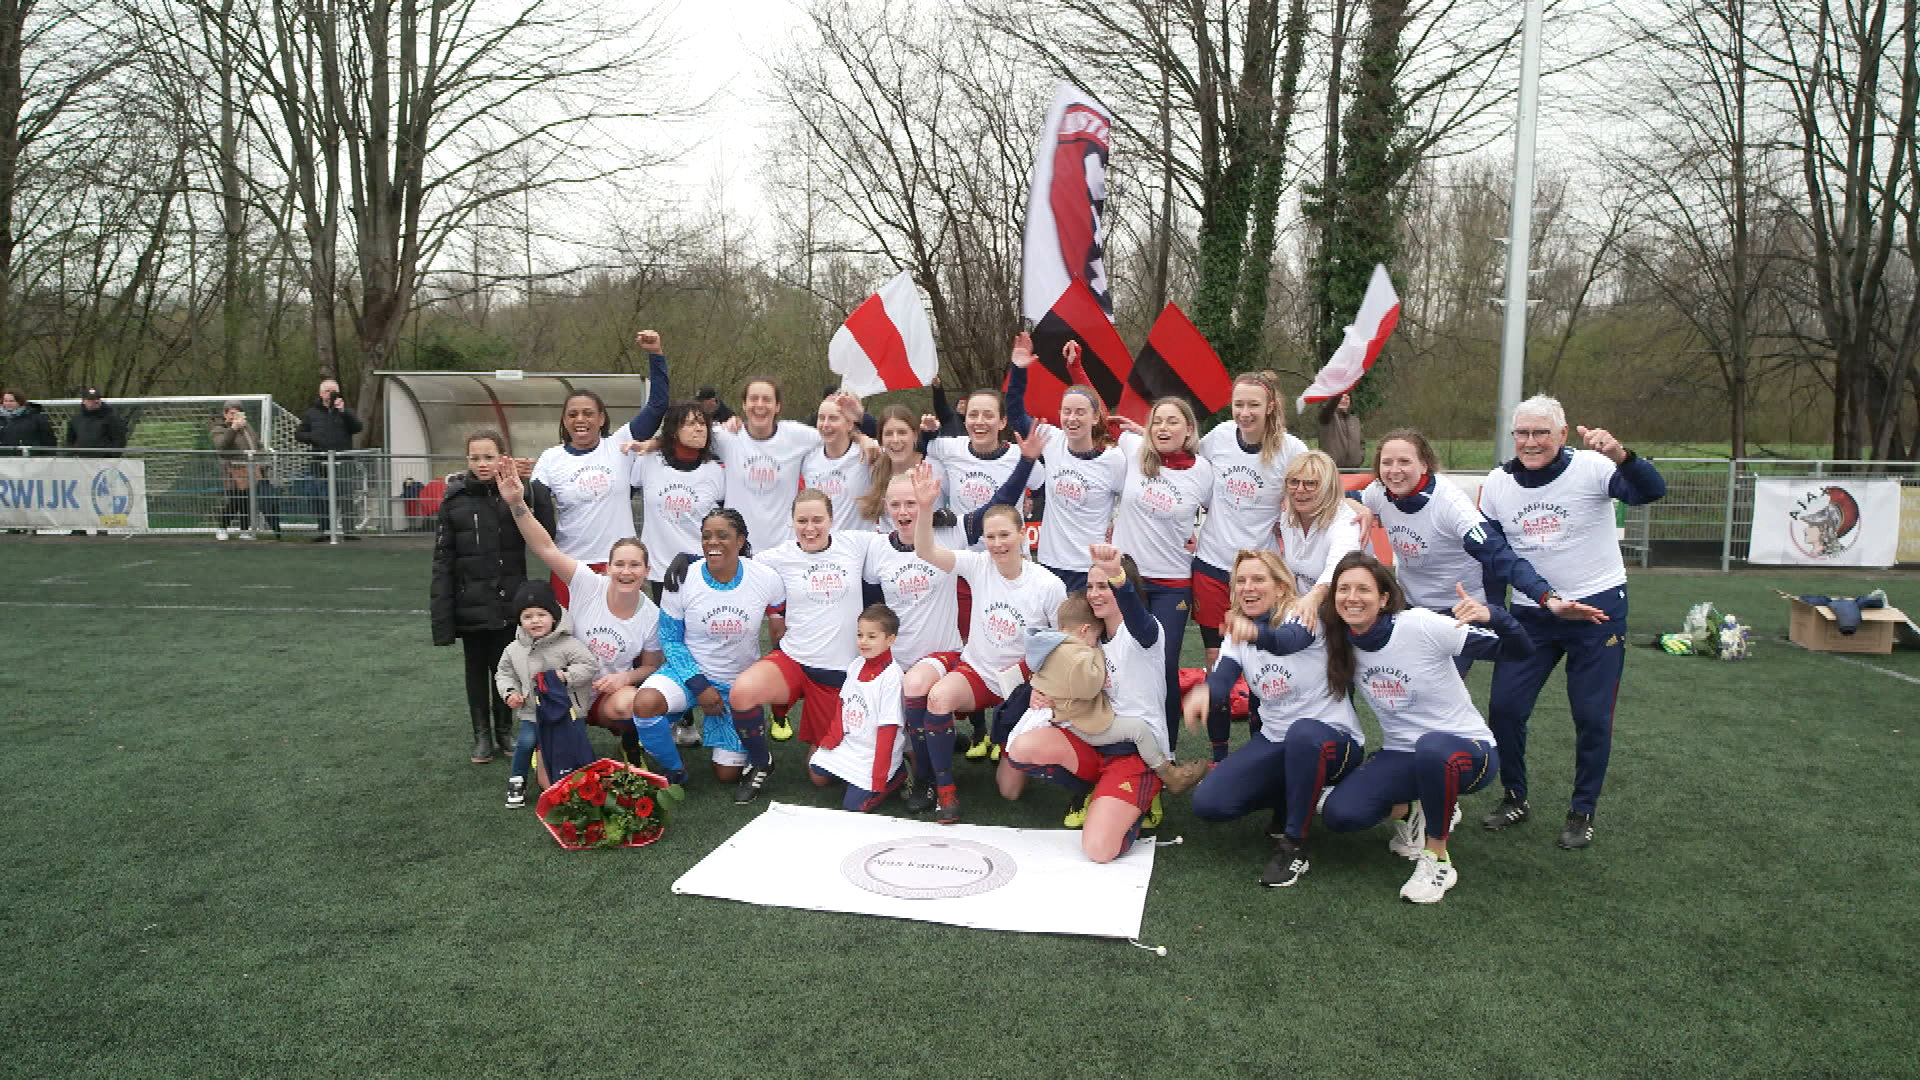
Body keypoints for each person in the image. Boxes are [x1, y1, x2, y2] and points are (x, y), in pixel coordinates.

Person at [1476, 395, 1667, 849]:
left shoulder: (1593, 466)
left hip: (1597, 610)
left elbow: (1650, 491)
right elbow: (1493, 559)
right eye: (1522, 432)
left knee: (1592, 716)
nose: (1530, 441)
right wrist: (1495, 612)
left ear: (1562, 435)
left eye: (1541, 432)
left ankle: (1583, 809)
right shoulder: (1498, 483)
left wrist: (1621, 455)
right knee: (1504, 708)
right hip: (1532, 613)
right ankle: (1515, 796)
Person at [1315, 553, 1533, 902]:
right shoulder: (1342, 641)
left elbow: (1519, 650)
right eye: (1343, 589)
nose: (1352, 597)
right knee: (1341, 814)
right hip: (1401, 753)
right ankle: (1414, 809)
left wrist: (1495, 615)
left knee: (1433, 748)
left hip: (1467, 751)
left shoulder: (1419, 625)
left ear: (1384, 598)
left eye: (1363, 589)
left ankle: (1437, 858)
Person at [1354, 428, 1605, 674]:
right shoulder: (1378, 493)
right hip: (1408, 607)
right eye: (1387, 463)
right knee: (1397, 682)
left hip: (1458, 612)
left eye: (1404, 461)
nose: (1394, 471)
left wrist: (1549, 599)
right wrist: (1357, 506)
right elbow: (1333, 498)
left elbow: (1500, 556)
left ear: (1424, 465)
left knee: (1435, 686)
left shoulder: (1450, 505)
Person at [1184, 549, 1364, 888]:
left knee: (1303, 734)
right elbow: (1222, 678)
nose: (1248, 587)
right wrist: (1207, 691)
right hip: (1278, 740)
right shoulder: (1238, 632)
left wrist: (1255, 634)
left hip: (1332, 742)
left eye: (1258, 579)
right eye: (1241, 581)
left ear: (1281, 588)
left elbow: (1285, 642)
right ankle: (1293, 797)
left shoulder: (1303, 615)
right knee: (1210, 803)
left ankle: (1294, 846)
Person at [496, 468, 674, 804]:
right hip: (564, 694)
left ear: (647, 572)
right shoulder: (588, 584)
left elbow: (652, 666)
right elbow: (545, 548)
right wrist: (518, 502)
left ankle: (629, 743)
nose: (626, 571)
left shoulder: (652, 615)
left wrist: (625, 676)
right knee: (552, 785)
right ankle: (546, 739)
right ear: (607, 568)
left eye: (635, 565)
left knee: (633, 702)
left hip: (606, 697)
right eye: (619, 564)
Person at [908, 459, 1065, 823]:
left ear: (1023, 534)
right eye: (990, 536)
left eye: (1004, 535)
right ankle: (945, 791)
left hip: (1022, 682)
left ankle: (1018, 746)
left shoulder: (1047, 585)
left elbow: (1063, 644)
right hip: (979, 672)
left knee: (1010, 792)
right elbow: (926, 552)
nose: (997, 544)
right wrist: (925, 507)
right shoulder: (978, 565)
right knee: (937, 697)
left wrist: (1044, 687)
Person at [997, 545, 1176, 862]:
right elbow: (1062, 678)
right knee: (1022, 747)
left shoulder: (1144, 633)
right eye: (1091, 585)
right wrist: (1042, 695)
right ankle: (1093, 788)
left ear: (1122, 586)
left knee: (1098, 849)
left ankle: (1144, 794)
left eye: (1103, 585)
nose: (1094, 593)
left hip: (1134, 751)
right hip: (1094, 739)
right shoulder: (1092, 639)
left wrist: (1118, 578)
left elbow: (1137, 615)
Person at [431, 430, 556, 765]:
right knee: (475, 670)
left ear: (504, 458)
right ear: (467, 461)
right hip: (469, 602)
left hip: (508, 600)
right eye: (476, 457)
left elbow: (546, 530)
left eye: (490, 457)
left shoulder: (517, 492)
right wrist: (442, 615)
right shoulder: (454, 499)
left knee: (507, 667)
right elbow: (443, 559)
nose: (482, 464)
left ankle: (504, 731)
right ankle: (481, 735)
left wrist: (530, 484)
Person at [639, 507, 786, 791]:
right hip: (689, 674)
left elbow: (779, 630)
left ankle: (749, 729)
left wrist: (765, 682)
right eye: (706, 536)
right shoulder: (682, 578)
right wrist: (699, 685)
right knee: (645, 704)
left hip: (736, 685)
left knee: (727, 775)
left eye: (722, 536)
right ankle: (675, 770)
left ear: (740, 540)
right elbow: (670, 639)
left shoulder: (766, 578)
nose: (712, 542)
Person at [729, 490, 879, 755]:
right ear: (792, 522)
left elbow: (901, 542)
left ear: (832, 520)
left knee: (820, 773)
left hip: (836, 670)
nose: (809, 529)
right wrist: (688, 561)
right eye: (802, 521)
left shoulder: (856, 543)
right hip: (794, 659)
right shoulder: (777, 557)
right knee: (742, 691)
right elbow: (733, 566)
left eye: (817, 520)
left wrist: (930, 518)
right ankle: (761, 763)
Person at [530, 330, 671, 603]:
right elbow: (535, 506)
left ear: (601, 418)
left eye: (588, 413)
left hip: (619, 564)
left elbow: (657, 406)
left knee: (621, 639)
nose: (580, 419)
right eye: (572, 414)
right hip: (570, 565)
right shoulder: (550, 458)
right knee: (569, 641)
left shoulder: (620, 445)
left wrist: (656, 355)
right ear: (564, 420)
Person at [1108, 397, 1214, 747]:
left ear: (1189, 430)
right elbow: (1098, 415)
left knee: (1163, 668)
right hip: (1127, 580)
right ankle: (1118, 747)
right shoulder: (1134, 448)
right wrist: (1076, 366)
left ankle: (1164, 750)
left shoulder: (1204, 471)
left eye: (1172, 422)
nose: (1163, 428)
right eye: (1157, 422)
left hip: (1173, 585)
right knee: (1119, 664)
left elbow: (1224, 515)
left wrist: (1199, 538)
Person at [1192, 372, 1308, 665]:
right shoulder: (1219, 436)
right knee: (1215, 653)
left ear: (1270, 406)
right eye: (1238, 404)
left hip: (1260, 571)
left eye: (1253, 405)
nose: (1245, 413)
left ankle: (1260, 711)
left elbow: (1320, 486)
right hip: (1213, 563)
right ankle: (1221, 710)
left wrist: (1357, 505)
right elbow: (1185, 467)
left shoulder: (1291, 449)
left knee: (1262, 653)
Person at [1003, 337, 1124, 593]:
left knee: (1084, 634)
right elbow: (1014, 413)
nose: (1071, 418)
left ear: (1094, 418)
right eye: (1066, 411)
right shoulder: (1052, 440)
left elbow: (1133, 501)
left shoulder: (1113, 459)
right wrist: (1018, 369)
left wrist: (1118, 526)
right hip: (1049, 565)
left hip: (1090, 569)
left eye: (1080, 412)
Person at [494, 581, 600, 792]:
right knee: (526, 742)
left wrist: (566, 676)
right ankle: (517, 780)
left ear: (553, 615)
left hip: (568, 711)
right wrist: (510, 693)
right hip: (532, 712)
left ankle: (583, 778)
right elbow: (504, 674)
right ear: (519, 621)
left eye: (541, 614)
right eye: (527, 616)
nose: (535, 621)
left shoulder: (569, 644)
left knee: (575, 743)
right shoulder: (514, 649)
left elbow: (589, 665)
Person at [807, 604, 908, 812]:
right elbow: (842, 706)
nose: (863, 641)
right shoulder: (855, 666)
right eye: (860, 635)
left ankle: (896, 775)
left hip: (875, 753)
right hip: (852, 744)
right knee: (816, 770)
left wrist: (879, 775)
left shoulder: (892, 677)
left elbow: (888, 730)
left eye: (872, 636)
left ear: (890, 640)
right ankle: (854, 779)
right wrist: (832, 739)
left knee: (853, 807)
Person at [707, 377, 826, 551]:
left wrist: (861, 439)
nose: (760, 405)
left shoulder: (795, 435)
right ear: (744, 405)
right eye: (754, 399)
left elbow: (835, 434)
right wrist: (653, 444)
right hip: (738, 550)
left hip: (784, 549)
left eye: (767, 399)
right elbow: (683, 434)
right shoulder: (728, 437)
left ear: (777, 406)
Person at [627, 402, 725, 601]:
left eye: (702, 424)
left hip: (701, 569)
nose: (698, 429)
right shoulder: (649, 461)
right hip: (659, 571)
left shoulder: (716, 471)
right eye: (689, 424)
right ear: (673, 431)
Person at [1275, 450, 1366, 624]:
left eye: (1311, 484)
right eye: (1293, 482)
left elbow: (1338, 569)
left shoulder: (1347, 522)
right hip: (1307, 611)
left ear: (1328, 488)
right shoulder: (1287, 516)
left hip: (1348, 613)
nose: (1300, 490)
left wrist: (1313, 598)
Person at [294, 376, 365, 540]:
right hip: (320, 462)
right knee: (321, 498)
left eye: (334, 391)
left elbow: (357, 427)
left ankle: (349, 531)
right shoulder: (311, 413)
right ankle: (324, 531)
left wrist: (343, 411)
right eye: (327, 391)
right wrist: (313, 437)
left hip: (343, 461)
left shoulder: (345, 412)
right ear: (321, 393)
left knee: (346, 496)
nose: (330, 394)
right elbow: (299, 434)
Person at [800, 392, 874, 530]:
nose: (825, 424)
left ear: (850, 424)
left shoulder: (866, 453)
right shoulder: (808, 460)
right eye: (821, 418)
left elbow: (893, 443)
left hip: (857, 547)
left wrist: (861, 417)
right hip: (820, 547)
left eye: (833, 418)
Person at [208, 401, 280, 540]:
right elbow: (222, 446)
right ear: (225, 414)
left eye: (238, 413)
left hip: (252, 469)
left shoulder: (247, 427)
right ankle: (222, 528)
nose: (235, 416)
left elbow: (257, 444)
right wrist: (233, 428)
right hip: (233, 469)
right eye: (231, 413)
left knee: (248, 500)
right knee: (235, 500)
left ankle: (244, 530)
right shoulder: (218, 428)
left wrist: (262, 459)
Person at [65, 388, 128, 456]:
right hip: (81, 461)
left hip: (105, 462)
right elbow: (70, 440)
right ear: (84, 401)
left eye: (97, 398)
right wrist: (71, 454)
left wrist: (111, 456)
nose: (95, 401)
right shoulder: (76, 419)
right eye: (91, 399)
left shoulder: (112, 418)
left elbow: (119, 439)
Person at [1317, 392, 1365, 469]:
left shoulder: (1355, 420)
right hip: (1332, 470)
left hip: (1354, 471)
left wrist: (1360, 458)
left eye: (1347, 398)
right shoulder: (1327, 417)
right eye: (1341, 398)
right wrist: (1338, 393)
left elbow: (1361, 443)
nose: (1344, 400)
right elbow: (1328, 408)